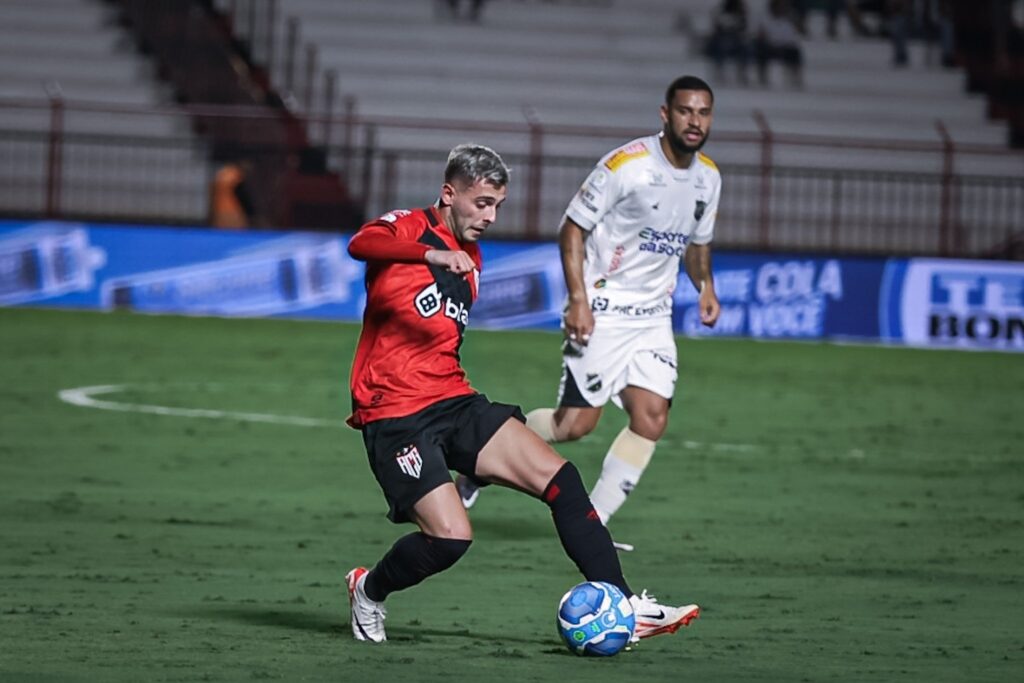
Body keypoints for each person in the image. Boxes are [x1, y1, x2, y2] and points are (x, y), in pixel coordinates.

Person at [343, 143, 700, 643]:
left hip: (453, 399)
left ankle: (625, 604)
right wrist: (430, 253)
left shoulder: (472, 253)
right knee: (450, 540)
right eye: (481, 203)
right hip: (396, 413)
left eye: (497, 206)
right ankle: (369, 591)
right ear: (450, 194)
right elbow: (361, 243)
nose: (490, 216)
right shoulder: (409, 228)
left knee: (563, 482)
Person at [456, 77, 722, 550]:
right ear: (666, 114)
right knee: (574, 425)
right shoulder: (628, 166)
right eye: (686, 111)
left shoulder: (709, 178)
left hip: (654, 317)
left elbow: (697, 245)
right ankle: (479, 460)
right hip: (604, 307)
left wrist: (706, 286)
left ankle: (593, 524)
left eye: (703, 113)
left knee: (651, 417)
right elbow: (572, 229)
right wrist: (579, 298)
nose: (695, 121)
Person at [752, 0, 804, 87]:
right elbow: (761, 35)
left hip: (785, 48)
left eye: (782, 7)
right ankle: (762, 77)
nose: (780, 9)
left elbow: (792, 38)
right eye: (778, 7)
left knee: (795, 52)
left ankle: (796, 78)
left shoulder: (789, 20)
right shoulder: (765, 19)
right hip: (770, 47)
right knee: (761, 50)